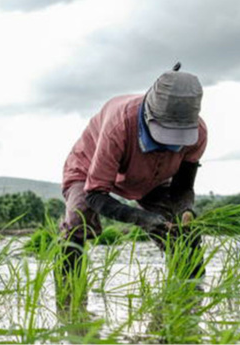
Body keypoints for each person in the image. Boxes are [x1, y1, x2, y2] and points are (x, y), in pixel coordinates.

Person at [60, 64, 207, 281]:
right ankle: (68, 296)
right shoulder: (118, 126)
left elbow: (183, 186)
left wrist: (185, 211)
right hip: (90, 169)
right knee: (77, 219)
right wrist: (141, 218)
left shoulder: (199, 134)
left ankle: (191, 297)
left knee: (182, 233)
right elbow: (94, 193)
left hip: (153, 177)